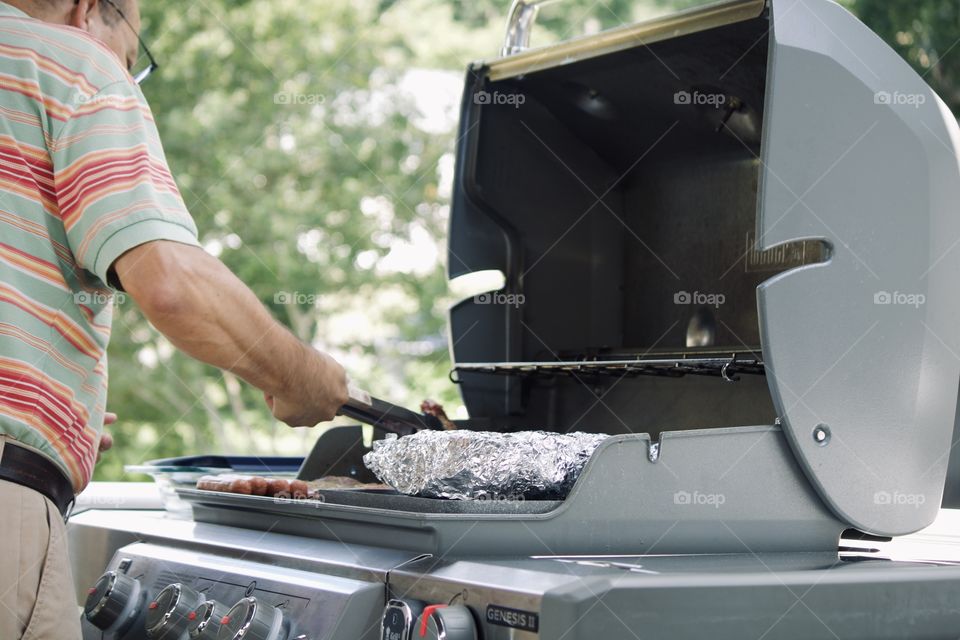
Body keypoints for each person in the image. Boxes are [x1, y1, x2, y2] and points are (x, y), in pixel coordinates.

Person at [0, 0, 350, 637]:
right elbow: (169, 284)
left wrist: (48, 408)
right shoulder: (73, 63)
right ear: (88, 10)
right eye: (133, 59)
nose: (124, 74)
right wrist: (299, 372)